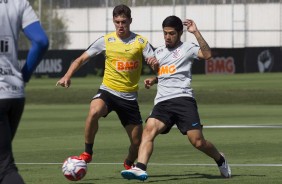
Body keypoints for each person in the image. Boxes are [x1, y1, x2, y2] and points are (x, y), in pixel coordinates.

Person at [121, 15, 231, 181]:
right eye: (165, 33)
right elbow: (166, 72)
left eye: (171, 33)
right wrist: (154, 78)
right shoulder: (158, 52)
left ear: (180, 33)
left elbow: (207, 55)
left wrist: (196, 32)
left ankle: (220, 159)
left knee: (198, 142)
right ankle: (140, 168)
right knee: (149, 130)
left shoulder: (188, 48)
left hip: (183, 99)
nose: (167, 37)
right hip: (163, 102)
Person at [56, 4, 157, 170]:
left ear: (130, 21)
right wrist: (67, 76)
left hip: (129, 97)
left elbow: (156, 65)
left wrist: (154, 70)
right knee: (94, 111)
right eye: (117, 22)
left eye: (123, 21)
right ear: (113, 21)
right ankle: (88, 152)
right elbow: (80, 59)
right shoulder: (106, 40)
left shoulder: (141, 42)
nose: (120, 25)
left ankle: (129, 162)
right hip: (108, 91)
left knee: (137, 144)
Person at [0, 0, 49, 183]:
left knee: (4, 170)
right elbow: (41, 41)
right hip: (14, 93)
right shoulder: (18, 2)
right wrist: (24, 76)